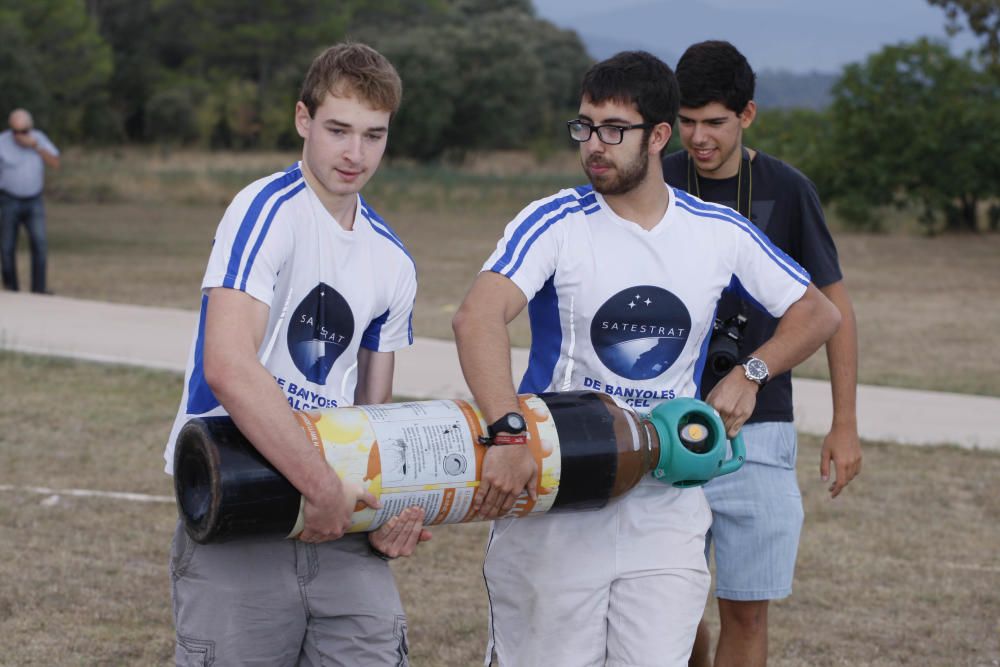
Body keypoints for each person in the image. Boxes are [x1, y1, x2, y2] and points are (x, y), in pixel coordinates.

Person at [452, 50, 841, 667]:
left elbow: (818, 312)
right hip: (559, 497)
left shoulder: (716, 229)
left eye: (614, 130)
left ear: (659, 136)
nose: (594, 146)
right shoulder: (554, 221)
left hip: (666, 502)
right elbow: (476, 317)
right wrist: (506, 434)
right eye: (584, 126)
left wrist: (752, 372)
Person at [163, 42, 430, 666]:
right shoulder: (266, 210)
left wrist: (390, 509)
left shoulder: (393, 260)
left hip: (338, 527)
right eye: (338, 129)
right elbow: (227, 366)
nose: (354, 154)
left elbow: (375, 424)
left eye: (373, 135)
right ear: (303, 120)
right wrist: (320, 483)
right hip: (242, 504)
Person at [661, 40, 863, 667]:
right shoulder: (656, 182)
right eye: (687, 121)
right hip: (663, 421)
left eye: (715, 122)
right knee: (668, 604)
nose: (698, 137)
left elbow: (836, 311)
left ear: (747, 115)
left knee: (746, 608)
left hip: (762, 426)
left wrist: (845, 424)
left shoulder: (788, 190)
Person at [0, 108, 60, 293]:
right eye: (16, 132)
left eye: (23, 131)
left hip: (34, 200)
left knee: (39, 243)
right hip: (8, 199)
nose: (19, 136)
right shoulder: (2, 141)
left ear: (30, 128)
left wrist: (35, 146)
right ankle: (12, 288)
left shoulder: (39, 139)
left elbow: (55, 163)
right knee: (7, 246)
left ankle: (39, 289)